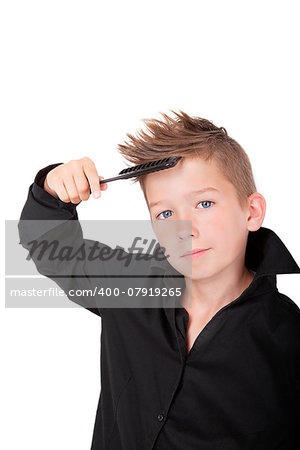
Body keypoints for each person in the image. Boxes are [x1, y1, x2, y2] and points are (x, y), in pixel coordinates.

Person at [18, 110, 300, 449]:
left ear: (251, 212)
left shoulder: (287, 337)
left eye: (204, 203)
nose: (185, 229)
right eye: (165, 214)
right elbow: (47, 244)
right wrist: (53, 187)